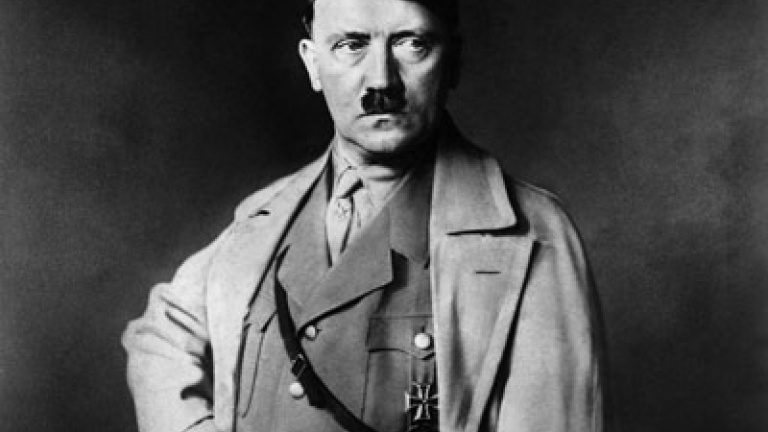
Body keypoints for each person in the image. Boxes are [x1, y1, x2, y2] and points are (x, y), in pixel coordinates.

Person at [122, 0, 608, 431]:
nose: (381, 81)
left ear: (454, 61)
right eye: (351, 45)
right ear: (312, 64)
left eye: (412, 43)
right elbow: (161, 337)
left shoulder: (531, 234)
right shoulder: (264, 218)